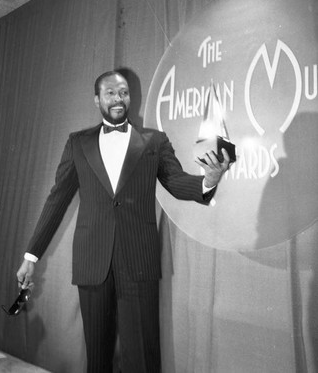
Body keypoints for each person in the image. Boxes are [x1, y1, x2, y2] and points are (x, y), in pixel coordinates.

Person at [17, 70, 230, 373]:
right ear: (97, 99)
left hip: (138, 260)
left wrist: (207, 182)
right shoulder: (78, 143)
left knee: (142, 355)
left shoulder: (154, 140)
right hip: (93, 262)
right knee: (98, 356)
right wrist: (31, 255)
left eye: (124, 93)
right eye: (111, 93)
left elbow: (176, 182)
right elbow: (57, 200)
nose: (118, 99)